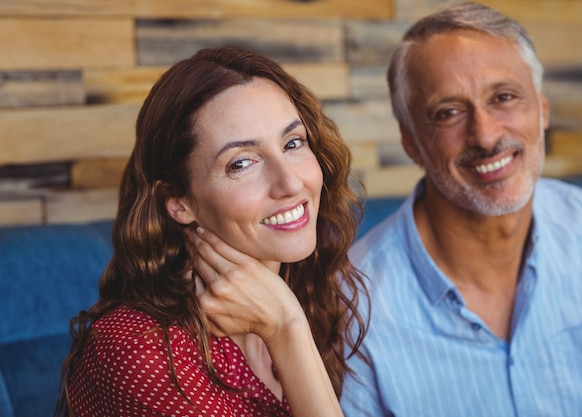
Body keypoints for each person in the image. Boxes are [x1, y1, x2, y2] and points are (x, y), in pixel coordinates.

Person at [340, 2, 582, 416]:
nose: (487, 135)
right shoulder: (354, 311)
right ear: (410, 142)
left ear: (542, 110)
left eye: (504, 97)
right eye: (449, 112)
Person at [55, 46, 368, 417]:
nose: (290, 183)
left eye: (293, 143)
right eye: (241, 163)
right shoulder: (139, 350)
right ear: (180, 202)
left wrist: (290, 323)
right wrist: (287, 329)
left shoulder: (311, 287)